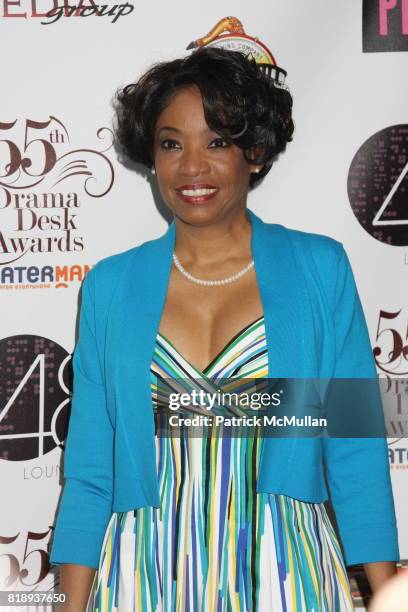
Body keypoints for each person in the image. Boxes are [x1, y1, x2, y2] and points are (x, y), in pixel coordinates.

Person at [49, 43, 399, 611]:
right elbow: (91, 471)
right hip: (144, 579)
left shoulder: (319, 268)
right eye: (171, 144)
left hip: (285, 576)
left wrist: (387, 596)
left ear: (254, 151)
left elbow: (355, 447)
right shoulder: (110, 286)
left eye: (217, 142)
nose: (191, 167)